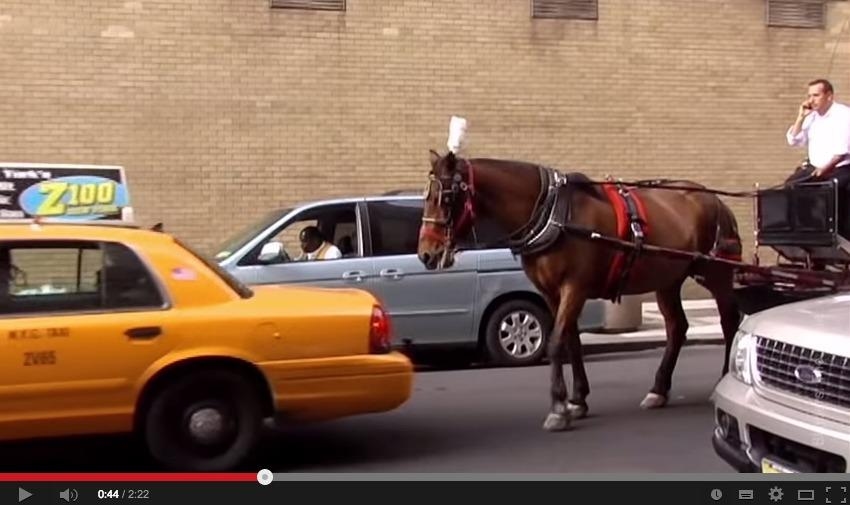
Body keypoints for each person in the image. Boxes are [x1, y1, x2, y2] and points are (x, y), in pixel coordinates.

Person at [785, 79, 850, 187]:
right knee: (790, 185)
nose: (811, 100)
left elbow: (841, 153)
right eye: (809, 96)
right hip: (815, 167)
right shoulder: (811, 116)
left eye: (815, 95)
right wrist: (800, 118)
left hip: (838, 169)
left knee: (825, 194)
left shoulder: (844, 115)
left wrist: (823, 170)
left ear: (829, 96)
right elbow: (794, 141)